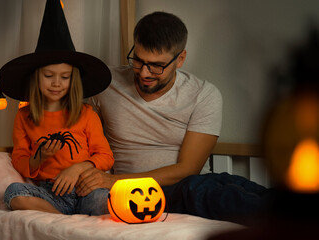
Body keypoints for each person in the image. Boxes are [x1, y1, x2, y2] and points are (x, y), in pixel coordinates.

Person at [76, 11, 268, 225]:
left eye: (157, 66)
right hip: (143, 195)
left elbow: (188, 169)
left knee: (230, 184)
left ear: (181, 59)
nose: (144, 73)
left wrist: (111, 180)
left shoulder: (203, 94)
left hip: (189, 181)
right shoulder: (106, 85)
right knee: (198, 190)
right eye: (138, 61)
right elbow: (76, 129)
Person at [0, 0, 113, 215]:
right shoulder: (24, 116)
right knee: (13, 193)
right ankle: (63, 220)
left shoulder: (86, 114)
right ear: (35, 78)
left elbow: (105, 155)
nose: (56, 83)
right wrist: (39, 157)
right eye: (49, 76)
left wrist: (77, 167)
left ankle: (67, 217)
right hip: (52, 193)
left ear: (73, 80)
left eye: (65, 77)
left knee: (104, 197)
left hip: (85, 186)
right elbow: (19, 160)